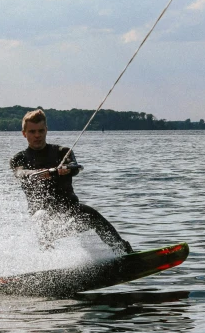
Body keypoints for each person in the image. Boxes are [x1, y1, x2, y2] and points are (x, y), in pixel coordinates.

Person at [10, 109, 135, 255]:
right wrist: (38, 173)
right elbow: (20, 173)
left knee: (92, 214)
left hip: (70, 213)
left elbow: (75, 167)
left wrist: (67, 169)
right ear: (24, 133)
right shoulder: (19, 159)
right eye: (32, 132)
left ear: (46, 130)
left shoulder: (63, 152)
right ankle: (46, 262)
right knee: (41, 216)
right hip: (43, 218)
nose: (37, 135)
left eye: (40, 130)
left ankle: (124, 251)